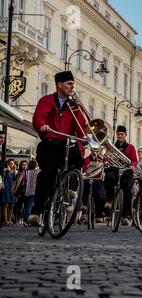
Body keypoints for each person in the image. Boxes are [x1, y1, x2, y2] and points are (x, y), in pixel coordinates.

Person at [28, 71, 87, 225]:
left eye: (73, 84)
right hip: (50, 142)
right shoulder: (46, 100)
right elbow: (38, 117)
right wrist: (42, 126)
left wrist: (86, 138)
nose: (72, 87)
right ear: (59, 85)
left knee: (78, 159)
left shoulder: (74, 105)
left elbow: (81, 126)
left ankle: (70, 188)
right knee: (46, 174)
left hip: (67, 143)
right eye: (69, 84)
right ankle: (36, 211)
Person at [104, 125, 137, 225]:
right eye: (118, 134)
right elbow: (105, 157)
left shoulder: (131, 147)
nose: (120, 136)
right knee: (108, 178)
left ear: (125, 135)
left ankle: (126, 215)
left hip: (126, 170)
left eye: (122, 134)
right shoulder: (112, 146)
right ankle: (110, 199)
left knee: (127, 190)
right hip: (114, 168)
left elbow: (134, 161)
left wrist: (132, 166)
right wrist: (105, 161)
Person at [22, 160, 39, 226]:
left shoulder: (26, 172)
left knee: (25, 207)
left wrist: (15, 188)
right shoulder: (37, 173)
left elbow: (20, 180)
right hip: (33, 192)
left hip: (25, 191)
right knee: (29, 207)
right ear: (35, 165)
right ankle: (26, 221)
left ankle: (24, 220)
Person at [2, 159, 17, 225]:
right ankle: (5, 220)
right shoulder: (5, 170)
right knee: (6, 205)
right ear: (7, 164)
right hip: (6, 189)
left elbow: (15, 181)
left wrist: (14, 189)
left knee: (12, 205)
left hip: (12, 189)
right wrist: (7, 169)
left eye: (12, 163)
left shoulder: (14, 172)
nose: (11, 164)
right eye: (10, 163)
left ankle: (10, 219)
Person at [13, 160, 28, 225]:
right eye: (23, 165)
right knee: (19, 206)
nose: (24, 166)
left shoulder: (28, 173)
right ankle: (18, 220)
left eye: (25, 165)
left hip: (27, 190)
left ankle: (23, 220)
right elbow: (17, 183)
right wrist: (16, 190)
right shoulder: (19, 173)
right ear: (21, 166)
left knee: (25, 206)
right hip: (20, 190)